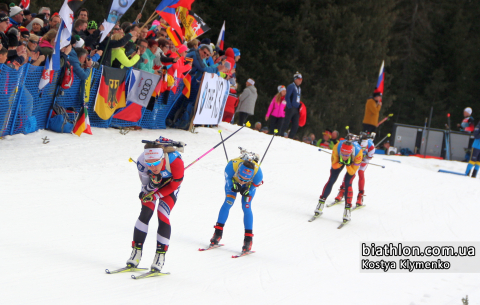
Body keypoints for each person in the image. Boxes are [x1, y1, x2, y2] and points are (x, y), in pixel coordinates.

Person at [126, 137, 184, 273]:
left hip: (170, 187)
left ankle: (159, 256)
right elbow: (146, 185)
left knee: (163, 215)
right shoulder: (141, 162)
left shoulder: (175, 161)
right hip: (153, 185)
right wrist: (152, 186)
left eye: (156, 163)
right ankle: (136, 252)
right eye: (149, 164)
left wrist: (157, 194)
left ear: (162, 158)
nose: (152, 167)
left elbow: (175, 184)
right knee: (145, 212)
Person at [208, 149, 263, 254]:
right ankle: (217, 234)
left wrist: (248, 189)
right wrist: (233, 185)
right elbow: (228, 179)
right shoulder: (231, 166)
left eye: (245, 180)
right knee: (228, 202)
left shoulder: (258, 175)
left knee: (246, 206)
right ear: (238, 171)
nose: (242, 182)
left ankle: (248, 240)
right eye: (241, 178)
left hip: (249, 186)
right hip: (233, 181)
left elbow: (254, 186)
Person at [314, 140, 363, 222]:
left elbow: (352, 172)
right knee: (332, 179)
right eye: (343, 154)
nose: (344, 157)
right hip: (338, 159)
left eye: (346, 155)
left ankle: (347, 211)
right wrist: (341, 163)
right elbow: (334, 165)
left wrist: (348, 165)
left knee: (348, 182)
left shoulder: (358, 153)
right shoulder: (337, 147)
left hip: (352, 163)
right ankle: (320, 205)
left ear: (350, 153)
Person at [334, 133, 375, 206]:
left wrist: (361, 161)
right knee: (351, 174)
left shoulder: (371, 147)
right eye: (361, 148)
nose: (362, 150)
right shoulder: (355, 143)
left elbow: (369, 158)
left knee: (361, 173)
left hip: (363, 160)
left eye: (364, 149)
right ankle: (342, 191)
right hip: (356, 158)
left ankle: (360, 196)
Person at [279, 72, 303, 139]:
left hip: (296, 108)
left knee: (295, 125)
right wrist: (289, 106)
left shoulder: (299, 88)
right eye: (299, 79)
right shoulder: (291, 86)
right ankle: (280, 134)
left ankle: (291, 137)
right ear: (295, 79)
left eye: (301, 79)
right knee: (286, 122)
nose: (300, 80)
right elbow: (287, 97)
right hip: (291, 107)